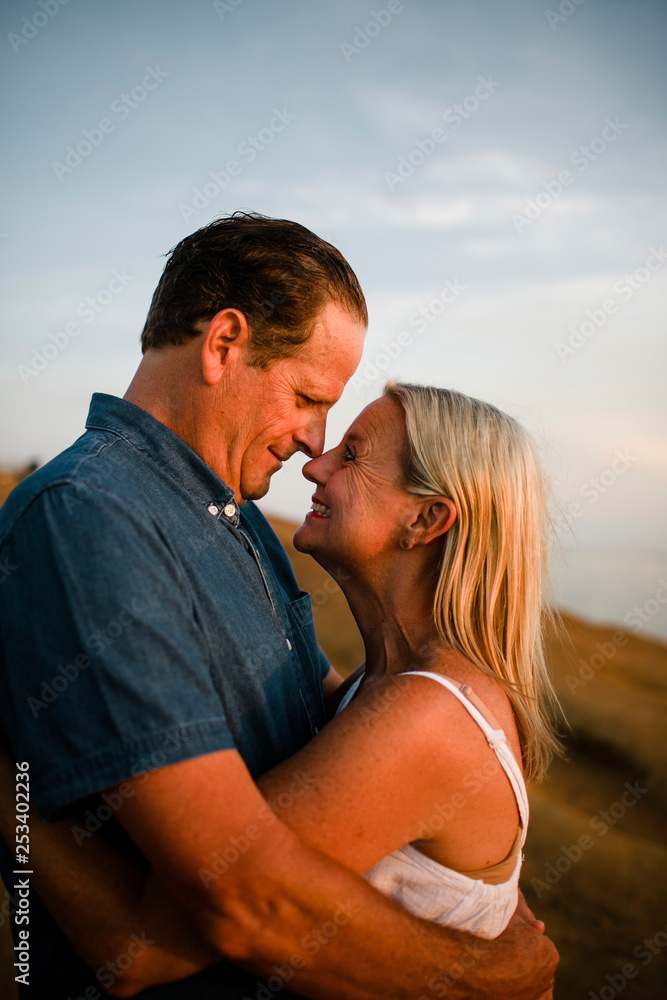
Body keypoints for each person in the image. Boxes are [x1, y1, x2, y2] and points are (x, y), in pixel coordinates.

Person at [0, 213, 557, 999]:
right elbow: (221, 903)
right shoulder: (93, 514)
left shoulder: (235, 519)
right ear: (224, 343)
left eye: (346, 439)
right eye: (306, 397)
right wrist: (476, 972)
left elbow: (365, 744)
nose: (312, 448)